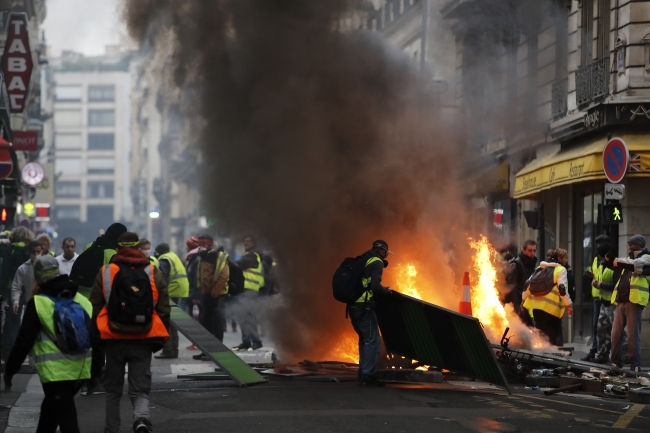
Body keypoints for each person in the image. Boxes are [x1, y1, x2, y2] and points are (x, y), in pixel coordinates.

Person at [90, 232, 170, 433]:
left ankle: (112, 429)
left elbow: (95, 306)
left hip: (114, 339)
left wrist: (102, 332)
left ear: (118, 248)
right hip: (143, 338)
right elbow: (164, 308)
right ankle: (141, 420)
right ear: (139, 248)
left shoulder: (106, 271)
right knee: (140, 389)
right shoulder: (153, 271)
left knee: (113, 391)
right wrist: (158, 338)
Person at [4, 255, 92, 433]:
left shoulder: (38, 303)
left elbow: (24, 341)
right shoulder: (82, 300)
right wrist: (96, 372)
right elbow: (96, 337)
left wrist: (10, 370)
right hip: (81, 370)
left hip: (55, 373)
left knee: (68, 421)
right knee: (49, 414)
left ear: (37, 278)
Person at [348, 240, 392, 386]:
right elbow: (375, 287)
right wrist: (388, 292)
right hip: (364, 307)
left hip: (353, 306)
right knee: (373, 340)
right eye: (385, 254)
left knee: (365, 339)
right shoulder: (377, 262)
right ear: (383, 252)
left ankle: (363, 374)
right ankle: (368, 376)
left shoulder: (363, 259)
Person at [604, 234, 650, 372]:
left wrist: (616, 260)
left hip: (634, 300)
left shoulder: (646, 257)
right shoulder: (628, 260)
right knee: (615, 333)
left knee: (632, 334)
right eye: (629, 242)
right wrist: (609, 257)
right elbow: (608, 264)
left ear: (640, 244)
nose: (629, 243)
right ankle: (616, 363)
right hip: (621, 300)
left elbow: (635, 265)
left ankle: (635, 365)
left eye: (633, 242)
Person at [522, 248, 573, 345]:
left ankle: (540, 358)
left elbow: (527, 285)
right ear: (559, 258)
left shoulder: (539, 268)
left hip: (536, 309)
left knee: (540, 337)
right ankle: (549, 358)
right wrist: (569, 305)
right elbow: (562, 289)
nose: (566, 260)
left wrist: (523, 299)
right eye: (565, 258)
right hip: (551, 310)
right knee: (551, 339)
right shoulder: (561, 270)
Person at [1, 227, 33, 360]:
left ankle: (13, 351)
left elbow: (5, 271)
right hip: (29, 288)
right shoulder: (30, 250)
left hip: (13, 288)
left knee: (13, 320)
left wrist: (3, 288)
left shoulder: (9, 250)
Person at [154, 243, 189, 359]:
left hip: (171, 291)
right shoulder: (173, 256)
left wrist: (160, 294)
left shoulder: (164, 259)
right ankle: (174, 350)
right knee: (172, 322)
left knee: (166, 321)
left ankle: (168, 350)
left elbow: (163, 278)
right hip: (180, 290)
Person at [581, 234, 611, 362]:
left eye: (601, 243)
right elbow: (591, 270)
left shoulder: (610, 261)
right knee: (597, 328)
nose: (598, 246)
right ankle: (596, 352)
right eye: (598, 243)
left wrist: (601, 284)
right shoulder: (596, 259)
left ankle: (602, 353)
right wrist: (589, 273)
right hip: (597, 297)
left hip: (607, 299)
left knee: (605, 329)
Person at [233, 235, 264, 351]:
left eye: (248, 241)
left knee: (249, 318)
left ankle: (256, 341)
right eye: (244, 241)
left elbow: (236, 265)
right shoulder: (250, 256)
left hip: (249, 291)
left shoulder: (251, 256)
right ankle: (246, 341)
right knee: (243, 317)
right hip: (245, 290)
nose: (245, 243)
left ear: (254, 243)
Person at [592, 243, 621, 364]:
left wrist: (600, 285)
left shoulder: (615, 267)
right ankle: (602, 355)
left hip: (613, 304)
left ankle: (620, 358)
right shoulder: (601, 265)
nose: (600, 259)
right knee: (601, 330)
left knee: (617, 332)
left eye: (601, 256)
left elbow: (617, 285)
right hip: (604, 303)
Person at [505, 240, 538, 316]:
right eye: (530, 250)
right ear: (523, 250)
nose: (532, 253)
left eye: (534, 251)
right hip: (520, 306)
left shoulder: (532, 265)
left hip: (529, 306)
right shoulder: (516, 265)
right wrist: (516, 307)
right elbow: (512, 288)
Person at [11, 240, 43, 316]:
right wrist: (16, 301)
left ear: (42, 251)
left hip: (45, 304)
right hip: (29, 304)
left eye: (38, 251)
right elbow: (16, 287)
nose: (36, 254)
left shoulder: (48, 266)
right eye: (33, 252)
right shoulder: (23, 268)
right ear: (29, 252)